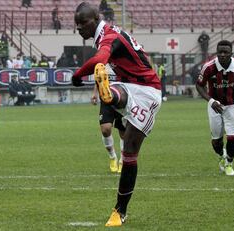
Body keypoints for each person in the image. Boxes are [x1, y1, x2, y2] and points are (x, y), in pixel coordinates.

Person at [71, 2, 162, 226]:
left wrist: (78, 75)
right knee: (114, 90)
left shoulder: (109, 36)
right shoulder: (107, 34)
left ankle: (120, 211)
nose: (79, 28)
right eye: (77, 24)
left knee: (130, 150)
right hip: (128, 85)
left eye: (83, 23)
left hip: (148, 92)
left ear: (96, 19)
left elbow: (99, 59)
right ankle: (110, 96)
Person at [195, 40, 234, 176]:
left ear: (231, 53)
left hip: (233, 104)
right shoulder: (209, 67)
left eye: (225, 52)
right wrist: (211, 101)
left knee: (233, 138)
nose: (222, 55)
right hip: (214, 105)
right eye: (220, 52)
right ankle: (222, 155)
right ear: (216, 53)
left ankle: (229, 163)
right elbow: (199, 85)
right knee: (216, 141)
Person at [91, 82, 125, 173]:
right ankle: (112, 157)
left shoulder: (124, 67)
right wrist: (95, 93)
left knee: (123, 132)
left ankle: (123, 160)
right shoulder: (103, 67)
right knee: (105, 129)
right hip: (106, 98)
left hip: (123, 99)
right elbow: (99, 78)